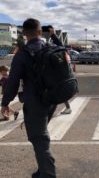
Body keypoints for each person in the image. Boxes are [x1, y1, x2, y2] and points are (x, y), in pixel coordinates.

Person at [0, 18, 62, 178]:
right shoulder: (50, 48)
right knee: (40, 134)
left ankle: (48, 174)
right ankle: (42, 170)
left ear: (24, 34)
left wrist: (5, 102)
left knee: (39, 138)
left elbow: (13, 82)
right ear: (40, 32)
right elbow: (64, 49)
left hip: (35, 102)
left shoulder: (23, 55)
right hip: (51, 100)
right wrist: (54, 36)